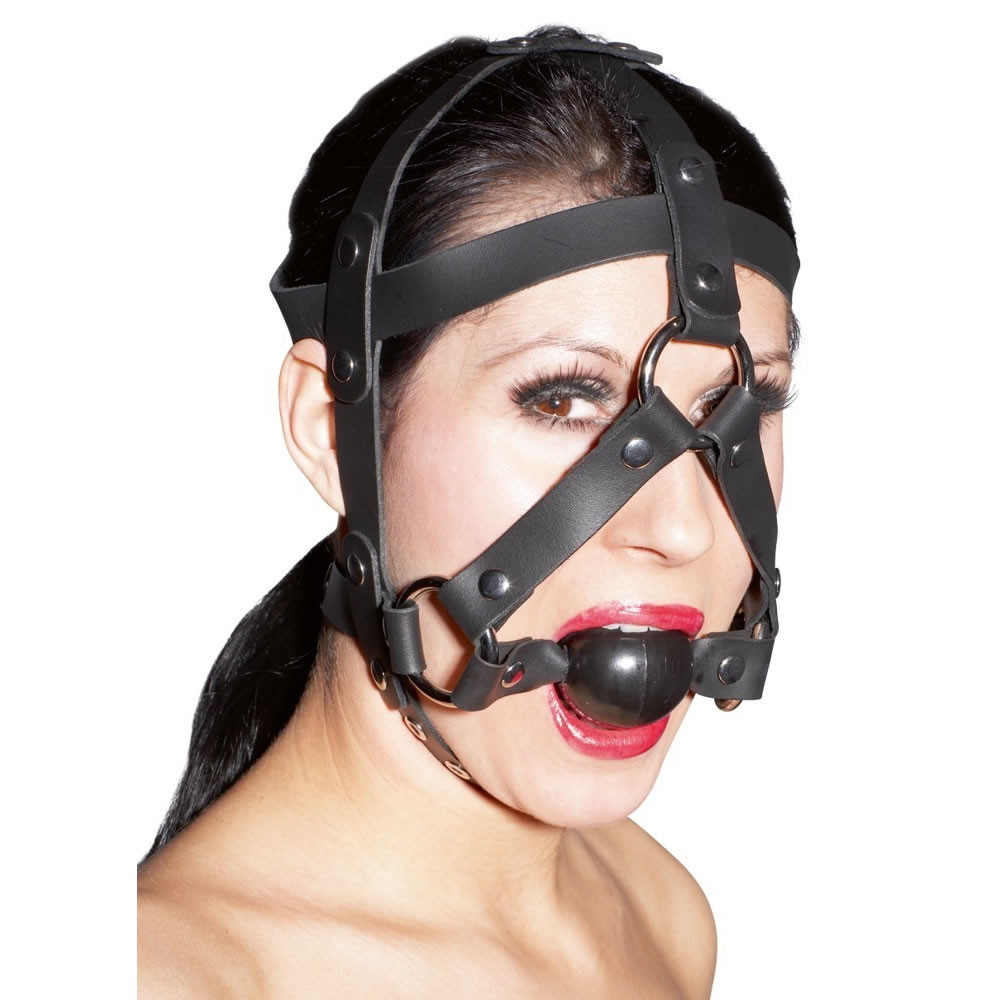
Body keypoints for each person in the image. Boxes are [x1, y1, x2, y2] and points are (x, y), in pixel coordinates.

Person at [138, 25, 798, 998]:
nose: (683, 529)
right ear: (331, 427)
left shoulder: (661, 916)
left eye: (740, 407)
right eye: (561, 400)